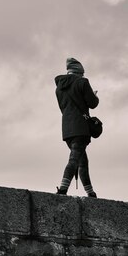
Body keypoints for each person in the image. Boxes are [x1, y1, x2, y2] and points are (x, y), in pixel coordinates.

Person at [54, 57, 99, 197]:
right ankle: (62, 189)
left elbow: (63, 108)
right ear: (79, 72)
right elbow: (93, 103)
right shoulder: (82, 82)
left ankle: (91, 193)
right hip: (81, 127)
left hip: (67, 128)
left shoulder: (59, 88)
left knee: (82, 160)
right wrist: (94, 96)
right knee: (74, 159)